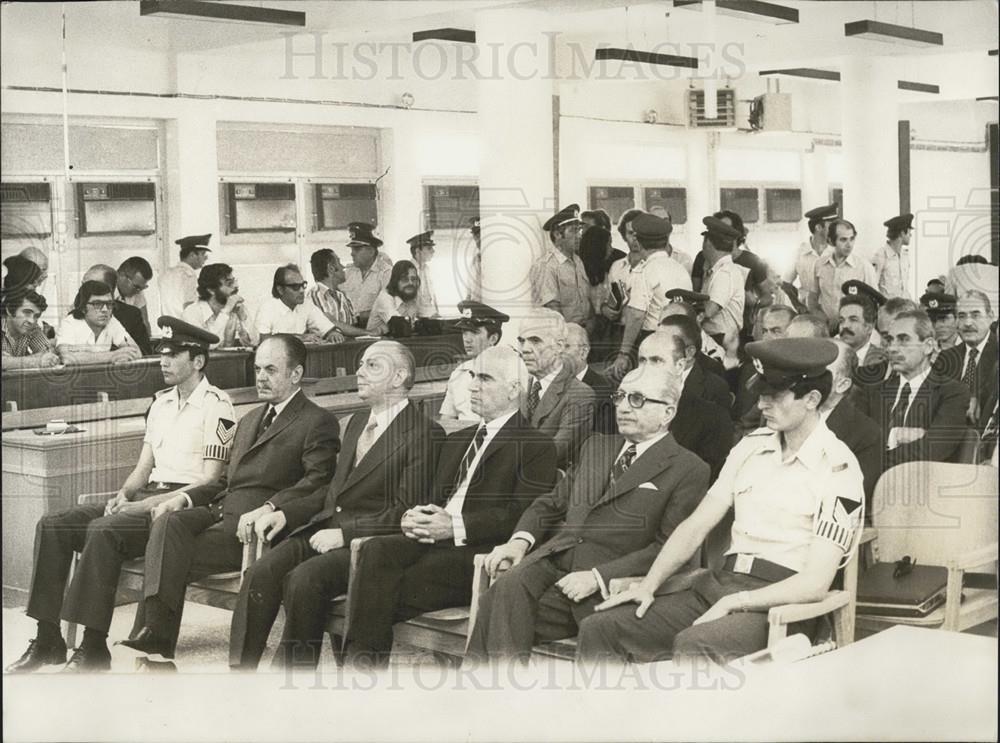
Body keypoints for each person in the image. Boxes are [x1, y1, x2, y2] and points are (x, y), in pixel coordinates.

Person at [578, 338, 864, 665]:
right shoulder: (750, 449)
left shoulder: (838, 468)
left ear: (812, 399)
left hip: (782, 604)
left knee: (696, 644)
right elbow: (697, 524)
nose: (761, 405)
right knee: (602, 628)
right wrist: (649, 584)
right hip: (720, 586)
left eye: (774, 396)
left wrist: (738, 601)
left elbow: (815, 582)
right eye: (761, 394)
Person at [5, 318, 233, 673]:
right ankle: (48, 637)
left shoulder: (217, 404)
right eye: (162, 353)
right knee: (54, 524)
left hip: (178, 507)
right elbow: (144, 467)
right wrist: (122, 494)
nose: (163, 360)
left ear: (198, 361)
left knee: (103, 530)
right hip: (145, 496)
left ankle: (93, 645)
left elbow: (210, 481)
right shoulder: (160, 403)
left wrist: (145, 503)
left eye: (174, 354)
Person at [119, 335, 341, 662]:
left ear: (296, 374)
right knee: (168, 521)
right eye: (257, 369)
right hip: (221, 513)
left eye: (270, 369)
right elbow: (223, 480)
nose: (260, 377)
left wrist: (271, 506)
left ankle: (155, 640)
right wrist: (184, 498)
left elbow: (317, 482)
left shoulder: (316, 421)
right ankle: (154, 632)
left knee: (166, 555)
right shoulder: (250, 418)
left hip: (257, 531)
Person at [464, 367, 709, 663]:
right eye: (620, 397)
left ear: (668, 412)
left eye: (637, 399)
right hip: (554, 561)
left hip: (605, 586)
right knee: (505, 591)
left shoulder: (688, 468)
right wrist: (519, 542)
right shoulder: (596, 446)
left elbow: (666, 546)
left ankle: (488, 697)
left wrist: (597, 577)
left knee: (497, 609)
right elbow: (550, 503)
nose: (622, 407)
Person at [229, 341, 439, 669]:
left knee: (302, 580)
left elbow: (405, 510)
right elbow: (331, 491)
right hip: (326, 526)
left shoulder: (424, 432)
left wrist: (344, 536)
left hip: (369, 543)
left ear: (399, 377)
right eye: (361, 364)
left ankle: (294, 679)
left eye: (372, 365)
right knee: (261, 571)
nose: (359, 371)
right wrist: (283, 511)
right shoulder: (357, 421)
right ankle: (239, 672)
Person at [344, 345, 558, 664]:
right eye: (472, 376)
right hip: (432, 540)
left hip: (475, 550)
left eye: (484, 378)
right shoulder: (459, 439)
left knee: (374, 590)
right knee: (376, 552)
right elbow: (431, 498)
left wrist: (454, 526)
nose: (472, 386)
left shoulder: (535, 445)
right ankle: (363, 668)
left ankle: (362, 671)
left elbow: (520, 514)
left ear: (514, 389)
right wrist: (414, 517)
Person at [786, 323, 883, 512]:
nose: (809, 377)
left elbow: (851, 503)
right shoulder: (788, 416)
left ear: (842, 384)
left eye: (822, 372)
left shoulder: (866, 434)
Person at [856, 310, 970, 467]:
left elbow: (933, 450)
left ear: (928, 346)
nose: (892, 348)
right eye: (890, 340)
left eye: (903, 340)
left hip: (921, 484)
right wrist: (894, 435)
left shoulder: (953, 392)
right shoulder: (872, 391)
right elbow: (855, 442)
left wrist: (873, 459)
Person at [636, 331, 734, 482]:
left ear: (680, 365)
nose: (647, 368)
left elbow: (703, 480)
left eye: (656, 360)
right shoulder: (623, 404)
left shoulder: (713, 419)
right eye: (642, 360)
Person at [610, 213, 691, 380]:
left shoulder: (646, 271)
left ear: (639, 242)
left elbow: (636, 315)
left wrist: (623, 354)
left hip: (653, 340)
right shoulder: (679, 268)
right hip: (681, 341)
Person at [517, 308, 597, 469]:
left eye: (535, 340)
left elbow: (554, 452)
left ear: (559, 346)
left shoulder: (580, 394)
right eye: (521, 340)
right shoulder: (518, 387)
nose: (525, 349)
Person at [933, 290, 997, 428]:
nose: (967, 323)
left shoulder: (998, 354)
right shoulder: (946, 357)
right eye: (962, 316)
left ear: (990, 316)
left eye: (975, 315)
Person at [439, 300, 509, 422]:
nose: (467, 339)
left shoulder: (508, 373)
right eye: (464, 332)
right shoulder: (459, 373)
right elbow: (447, 418)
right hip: (462, 438)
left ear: (493, 338)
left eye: (474, 332)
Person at [529, 203, 591, 326]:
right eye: (573, 230)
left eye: (579, 230)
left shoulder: (577, 261)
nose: (579, 236)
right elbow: (553, 310)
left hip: (582, 333)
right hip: (563, 335)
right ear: (558, 234)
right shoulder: (546, 266)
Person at [810, 219, 878, 331]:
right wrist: (823, 319)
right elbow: (813, 298)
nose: (849, 245)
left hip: (853, 329)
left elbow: (874, 303)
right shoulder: (819, 264)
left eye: (852, 239)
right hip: (826, 328)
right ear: (831, 241)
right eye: (843, 240)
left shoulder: (863, 266)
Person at [56, 280, 141, 365]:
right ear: (83, 308)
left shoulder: (111, 321)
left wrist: (125, 354)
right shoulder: (69, 323)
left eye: (109, 304)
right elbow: (67, 358)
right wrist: (113, 355)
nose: (105, 310)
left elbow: (136, 352)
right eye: (97, 304)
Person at [656, 314, 730, 411]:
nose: (656, 348)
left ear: (689, 352)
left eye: (666, 344)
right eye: (656, 341)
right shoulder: (642, 376)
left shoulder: (713, 388)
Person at [254, 264, 339, 343]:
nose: (302, 290)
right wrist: (300, 337)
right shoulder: (267, 308)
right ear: (280, 289)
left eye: (303, 285)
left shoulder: (306, 304)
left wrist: (332, 334)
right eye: (295, 287)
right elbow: (264, 339)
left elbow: (325, 327)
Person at [82, 262, 153, 356]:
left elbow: (144, 353)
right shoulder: (74, 314)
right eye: (83, 285)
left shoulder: (131, 315)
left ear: (109, 290)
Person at [699, 216, 748, 347]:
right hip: (720, 338)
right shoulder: (718, 270)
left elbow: (710, 310)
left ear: (708, 243)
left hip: (721, 340)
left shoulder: (724, 273)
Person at [181, 262, 255, 348]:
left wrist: (243, 317)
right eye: (229, 283)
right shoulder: (192, 312)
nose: (236, 286)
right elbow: (207, 346)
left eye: (234, 281)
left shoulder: (236, 307)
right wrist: (226, 311)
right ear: (211, 290)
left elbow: (254, 342)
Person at [563, 322, 616, 434]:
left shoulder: (604, 392)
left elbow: (601, 443)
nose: (558, 353)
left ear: (584, 352)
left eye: (566, 346)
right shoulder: (548, 385)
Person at [785, 204, 837, 310]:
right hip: (808, 311)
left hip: (833, 313)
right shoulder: (799, 253)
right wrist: (797, 304)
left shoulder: (837, 252)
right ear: (818, 227)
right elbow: (785, 283)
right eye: (831, 226)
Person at [341, 222, 393, 327]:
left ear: (371, 251)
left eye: (357, 249)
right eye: (352, 249)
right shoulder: (348, 272)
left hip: (375, 329)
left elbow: (388, 308)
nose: (352, 253)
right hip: (349, 329)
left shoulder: (385, 273)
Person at [306, 248, 364, 341]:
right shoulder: (315, 296)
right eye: (339, 262)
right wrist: (369, 332)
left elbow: (354, 324)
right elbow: (330, 323)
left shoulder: (342, 296)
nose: (343, 267)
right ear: (331, 268)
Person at [1, 289, 59, 369]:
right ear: (10, 310)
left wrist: (12, 361)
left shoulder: (32, 328)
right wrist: (35, 361)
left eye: (36, 316)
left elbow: (49, 353)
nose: (32, 321)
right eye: (27, 313)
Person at [838, 280, 888, 368]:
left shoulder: (883, 361)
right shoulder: (832, 357)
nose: (845, 326)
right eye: (841, 320)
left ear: (869, 327)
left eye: (853, 320)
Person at [160, 234, 211, 319]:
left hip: (168, 326)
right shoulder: (189, 275)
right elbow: (189, 307)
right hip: (184, 327)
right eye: (203, 254)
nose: (205, 258)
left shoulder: (166, 274)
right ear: (192, 255)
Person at [367, 260, 421, 336]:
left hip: (397, 343)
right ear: (395, 281)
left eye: (413, 279)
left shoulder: (412, 297)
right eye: (405, 279)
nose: (410, 283)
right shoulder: (385, 297)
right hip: (374, 345)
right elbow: (400, 326)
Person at [873, 213, 913, 299]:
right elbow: (872, 286)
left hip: (904, 307)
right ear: (902, 233)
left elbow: (904, 288)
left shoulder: (905, 256)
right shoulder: (880, 255)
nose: (911, 235)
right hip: (888, 308)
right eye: (909, 232)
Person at [408, 231, 440, 318]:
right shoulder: (408, 270)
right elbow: (411, 303)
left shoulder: (426, 269)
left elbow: (430, 296)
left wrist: (436, 313)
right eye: (429, 248)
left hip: (430, 315)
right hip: (418, 318)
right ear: (418, 251)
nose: (433, 251)